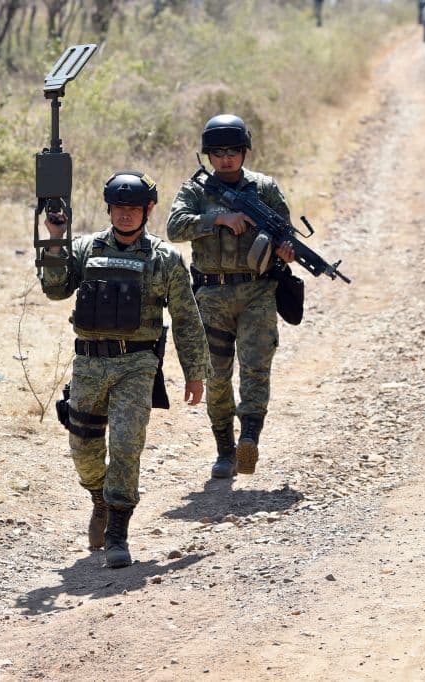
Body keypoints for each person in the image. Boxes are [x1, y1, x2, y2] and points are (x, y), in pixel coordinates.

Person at [40, 171, 209, 568]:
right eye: (119, 208)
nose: (126, 215)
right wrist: (54, 239)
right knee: (83, 449)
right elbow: (54, 289)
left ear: (149, 210)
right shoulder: (85, 248)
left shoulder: (164, 258)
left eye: (134, 208)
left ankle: (118, 529)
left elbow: (186, 318)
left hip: (137, 363)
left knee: (126, 444)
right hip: (89, 363)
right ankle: (98, 497)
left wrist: (194, 371)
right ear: (109, 208)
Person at [166, 114, 296, 480]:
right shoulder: (195, 191)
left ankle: (249, 439)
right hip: (211, 295)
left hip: (257, 292)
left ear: (245, 152)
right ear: (208, 154)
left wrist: (286, 251)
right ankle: (224, 449)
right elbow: (174, 227)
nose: (226, 159)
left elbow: (284, 234)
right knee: (217, 377)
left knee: (256, 368)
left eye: (234, 151)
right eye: (218, 152)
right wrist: (218, 221)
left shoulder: (264, 188)